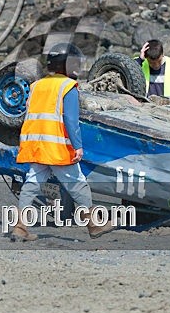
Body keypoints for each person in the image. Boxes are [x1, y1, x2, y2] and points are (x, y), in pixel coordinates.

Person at [10, 43, 115, 242]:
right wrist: (77, 146)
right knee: (77, 182)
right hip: (57, 146)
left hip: (36, 144)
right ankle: (93, 223)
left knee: (32, 183)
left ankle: (20, 226)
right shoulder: (67, 87)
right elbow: (71, 120)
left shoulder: (36, 85)